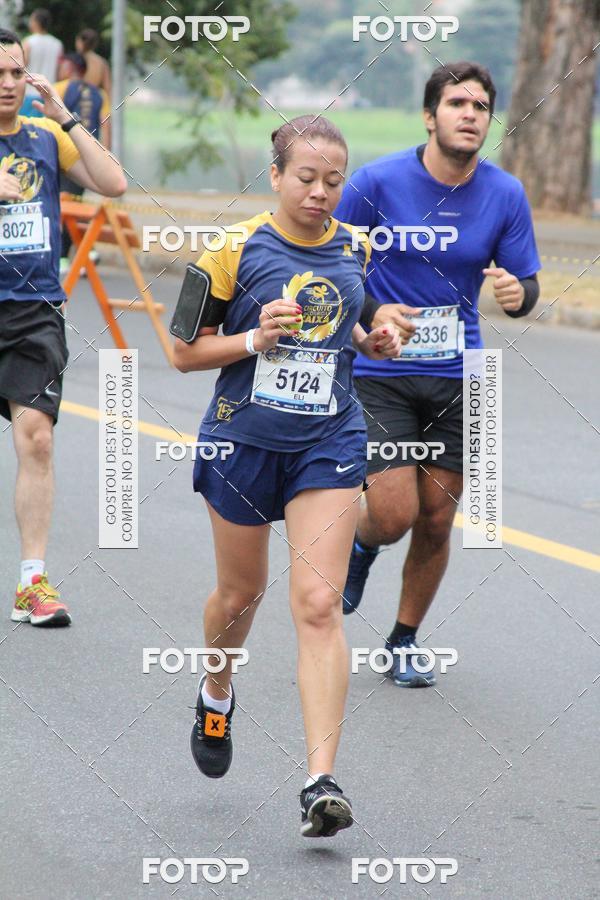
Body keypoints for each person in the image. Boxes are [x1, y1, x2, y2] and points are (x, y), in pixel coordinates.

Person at [173, 115, 402, 836]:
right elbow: (183, 352)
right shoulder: (231, 250)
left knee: (318, 604)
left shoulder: (356, 246)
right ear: (275, 176)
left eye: (333, 181)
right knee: (241, 594)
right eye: (306, 178)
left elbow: (350, 322)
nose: (320, 192)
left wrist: (375, 337)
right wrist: (253, 337)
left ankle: (320, 781)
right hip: (242, 439)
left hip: (328, 442)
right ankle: (216, 691)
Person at [335, 62, 541, 687]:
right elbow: (331, 262)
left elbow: (527, 285)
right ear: (430, 117)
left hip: (460, 374)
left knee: (435, 519)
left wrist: (518, 295)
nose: (470, 114)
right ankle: (363, 543)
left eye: (481, 106)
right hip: (382, 369)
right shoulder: (377, 182)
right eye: (457, 103)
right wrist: (373, 310)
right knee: (394, 512)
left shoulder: (505, 194)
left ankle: (403, 639)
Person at [0, 29, 127, 626]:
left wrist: (66, 118)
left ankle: (32, 581)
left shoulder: (45, 136)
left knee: (38, 439)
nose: (7, 84)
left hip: (33, 309)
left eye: (16, 73)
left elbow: (113, 184)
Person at [54, 52, 111, 268]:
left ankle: (65, 255)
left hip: (63, 154)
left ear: (70, 68)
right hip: (88, 158)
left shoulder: (60, 88)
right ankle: (86, 251)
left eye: (63, 66)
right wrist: (105, 156)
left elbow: (49, 119)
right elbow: (106, 126)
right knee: (73, 204)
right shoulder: (100, 94)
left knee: (64, 206)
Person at [21, 9, 63, 117]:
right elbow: (59, 72)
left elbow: (20, 67)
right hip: (50, 94)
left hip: (29, 93)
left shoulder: (28, 42)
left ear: (35, 22)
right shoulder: (57, 44)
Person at [75, 29, 111, 97]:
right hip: (95, 99)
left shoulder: (76, 60)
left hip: (78, 98)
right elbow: (107, 88)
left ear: (80, 42)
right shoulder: (102, 62)